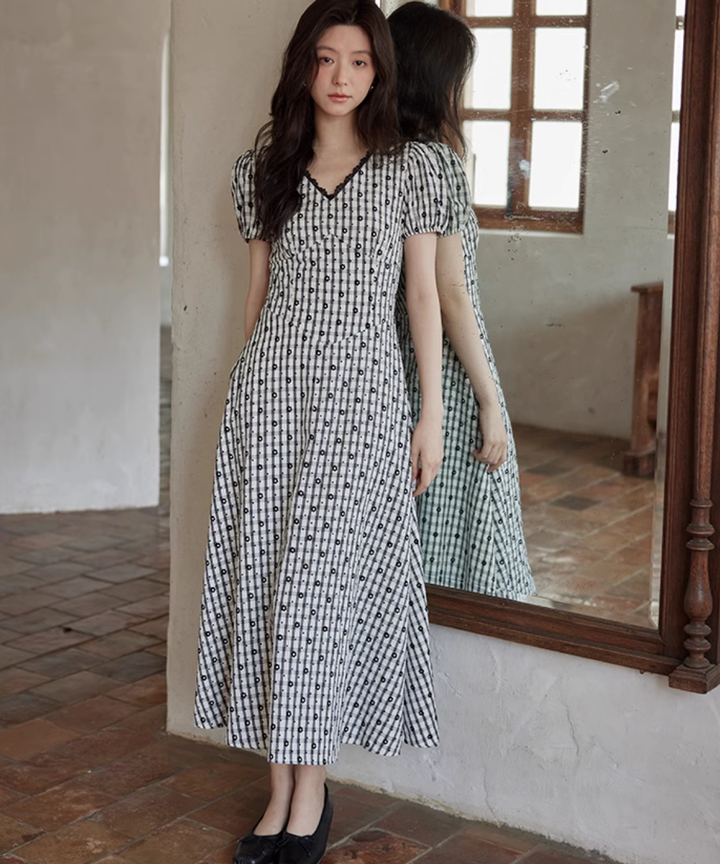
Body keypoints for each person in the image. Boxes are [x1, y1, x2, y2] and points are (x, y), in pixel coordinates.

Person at [194, 2, 457, 863]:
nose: (342, 77)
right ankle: (281, 791)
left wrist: (429, 411)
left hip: (362, 402)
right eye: (326, 58)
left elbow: (421, 295)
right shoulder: (263, 169)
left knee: (316, 594)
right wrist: (245, 400)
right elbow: (258, 295)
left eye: (360, 61)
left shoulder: (413, 166)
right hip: (269, 397)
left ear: (380, 71)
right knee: (270, 587)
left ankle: (310, 791)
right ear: (303, 65)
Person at [390, 1, 535, 600]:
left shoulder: (374, 156)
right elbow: (450, 294)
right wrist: (489, 398)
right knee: (475, 520)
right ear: (436, 78)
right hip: (444, 368)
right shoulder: (435, 162)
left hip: (392, 363)